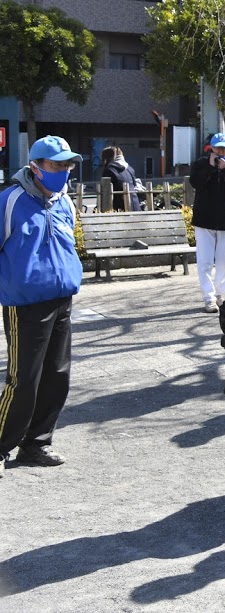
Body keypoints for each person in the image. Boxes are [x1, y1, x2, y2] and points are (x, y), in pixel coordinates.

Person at [0, 136, 83, 476]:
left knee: (57, 376)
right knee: (24, 380)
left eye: (67, 164)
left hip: (62, 300)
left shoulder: (64, 202)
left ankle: (36, 443)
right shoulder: (10, 200)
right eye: (56, 165)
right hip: (25, 305)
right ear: (35, 167)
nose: (63, 170)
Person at [189, 133, 225, 313]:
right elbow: (195, 182)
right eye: (217, 148)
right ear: (211, 148)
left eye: (224, 148)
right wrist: (211, 168)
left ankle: (221, 295)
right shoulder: (201, 164)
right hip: (204, 220)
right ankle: (208, 297)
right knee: (204, 262)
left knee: (222, 261)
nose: (220, 152)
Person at [100, 145, 142, 212]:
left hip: (119, 207)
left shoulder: (109, 170)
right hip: (135, 205)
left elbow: (105, 191)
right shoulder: (129, 168)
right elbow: (135, 185)